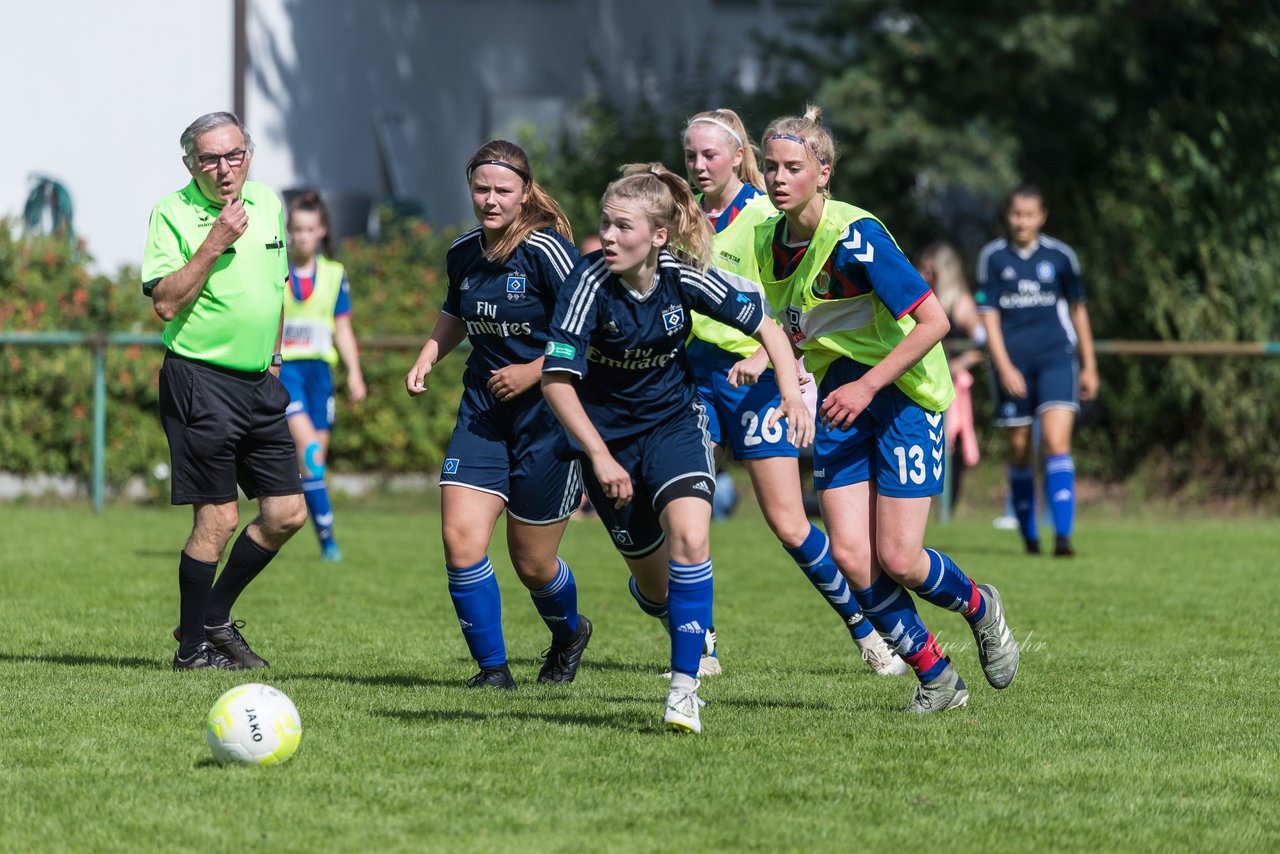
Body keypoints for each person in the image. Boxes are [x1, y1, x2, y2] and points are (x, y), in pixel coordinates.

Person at [753, 106, 1020, 713]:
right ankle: (937, 678)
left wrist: (868, 386)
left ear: (823, 173)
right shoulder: (771, 242)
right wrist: (782, 373)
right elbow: (794, 327)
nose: (778, 178)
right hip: (841, 400)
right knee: (851, 556)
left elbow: (935, 323)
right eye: (769, 167)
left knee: (899, 557)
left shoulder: (855, 236)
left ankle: (981, 606)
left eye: (792, 167)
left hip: (899, 393)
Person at [540, 163, 813, 734]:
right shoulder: (586, 284)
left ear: (658, 237)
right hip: (606, 441)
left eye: (622, 227)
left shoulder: (683, 276)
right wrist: (599, 456)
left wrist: (789, 393)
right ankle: (672, 611)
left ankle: (683, 690)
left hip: (674, 425)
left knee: (692, 536)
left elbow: (765, 324)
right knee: (657, 584)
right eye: (605, 225)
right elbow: (556, 381)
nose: (608, 237)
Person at [682, 108, 907, 677]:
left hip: (753, 376)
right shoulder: (680, 217)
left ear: (738, 157)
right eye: (691, 156)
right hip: (692, 375)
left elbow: (793, 309)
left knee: (787, 523)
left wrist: (771, 362)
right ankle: (698, 644)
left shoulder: (767, 215)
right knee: (686, 511)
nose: (699, 165)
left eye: (710, 154)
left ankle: (864, 628)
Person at [405, 140, 590, 689]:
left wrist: (534, 372)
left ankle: (569, 632)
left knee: (532, 563)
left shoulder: (548, 252)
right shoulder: (463, 252)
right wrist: (429, 353)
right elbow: (455, 310)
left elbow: (589, 327)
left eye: (502, 190)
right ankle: (493, 671)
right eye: (481, 188)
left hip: (549, 419)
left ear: (525, 192)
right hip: (483, 413)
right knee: (461, 540)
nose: (490, 199)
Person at [141, 111, 307, 670]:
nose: (224, 168)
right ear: (190, 164)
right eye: (209, 158)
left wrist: (277, 358)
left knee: (286, 512)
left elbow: (275, 289)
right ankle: (192, 651)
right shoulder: (172, 213)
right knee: (219, 520)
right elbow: (165, 301)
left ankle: (211, 619)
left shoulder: (268, 203)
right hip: (200, 380)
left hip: (261, 383)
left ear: (249, 156)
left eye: (234, 155)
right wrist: (214, 241)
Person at [976, 185, 1098, 556]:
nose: (1022, 222)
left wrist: (1090, 365)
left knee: (1057, 443)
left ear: (1042, 216)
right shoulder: (992, 258)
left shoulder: (1061, 257)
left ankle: (1062, 538)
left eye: (1029, 215)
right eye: (1016, 214)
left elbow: (1078, 312)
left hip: (1057, 358)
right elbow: (989, 317)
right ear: (1007, 215)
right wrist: (1004, 366)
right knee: (1018, 450)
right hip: (1012, 364)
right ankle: (1029, 536)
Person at [281, 191, 367, 562]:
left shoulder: (334, 274)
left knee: (312, 469)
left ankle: (320, 537)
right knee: (311, 454)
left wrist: (355, 374)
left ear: (322, 232)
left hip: (321, 374)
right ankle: (328, 541)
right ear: (288, 231)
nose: (302, 236)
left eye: (309, 229)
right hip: (287, 373)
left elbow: (343, 329)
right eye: (296, 229)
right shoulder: (276, 269)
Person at [917, 241, 984, 508]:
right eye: (922, 269)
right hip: (923, 381)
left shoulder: (962, 304)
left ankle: (946, 507)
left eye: (931, 271)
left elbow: (981, 345)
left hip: (951, 387)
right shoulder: (922, 300)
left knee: (950, 444)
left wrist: (956, 365)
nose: (924, 276)